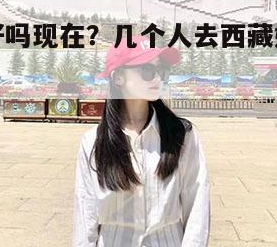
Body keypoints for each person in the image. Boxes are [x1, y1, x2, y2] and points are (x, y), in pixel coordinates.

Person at [73, 35, 210, 247]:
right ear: (118, 77)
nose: (157, 78)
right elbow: (85, 214)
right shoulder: (93, 142)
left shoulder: (182, 135)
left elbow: (197, 206)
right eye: (147, 70)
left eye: (161, 70)